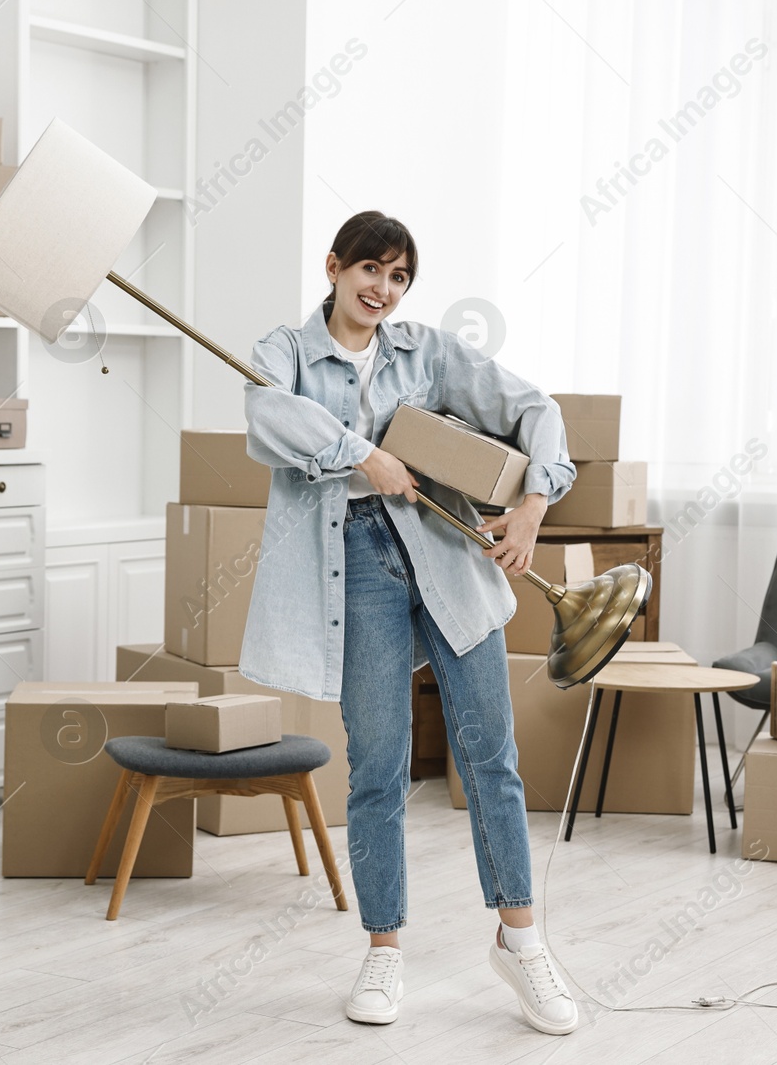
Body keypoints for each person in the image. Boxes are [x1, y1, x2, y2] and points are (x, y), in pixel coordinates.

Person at [238, 211, 581, 1035]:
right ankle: (384, 948)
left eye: (397, 277)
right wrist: (362, 454)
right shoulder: (281, 352)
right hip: (350, 564)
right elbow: (267, 421)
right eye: (369, 270)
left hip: (444, 551)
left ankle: (521, 940)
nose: (381, 290)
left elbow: (536, 408)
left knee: (491, 753)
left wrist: (534, 503)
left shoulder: (425, 350)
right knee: (378, 766)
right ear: (332, 265)